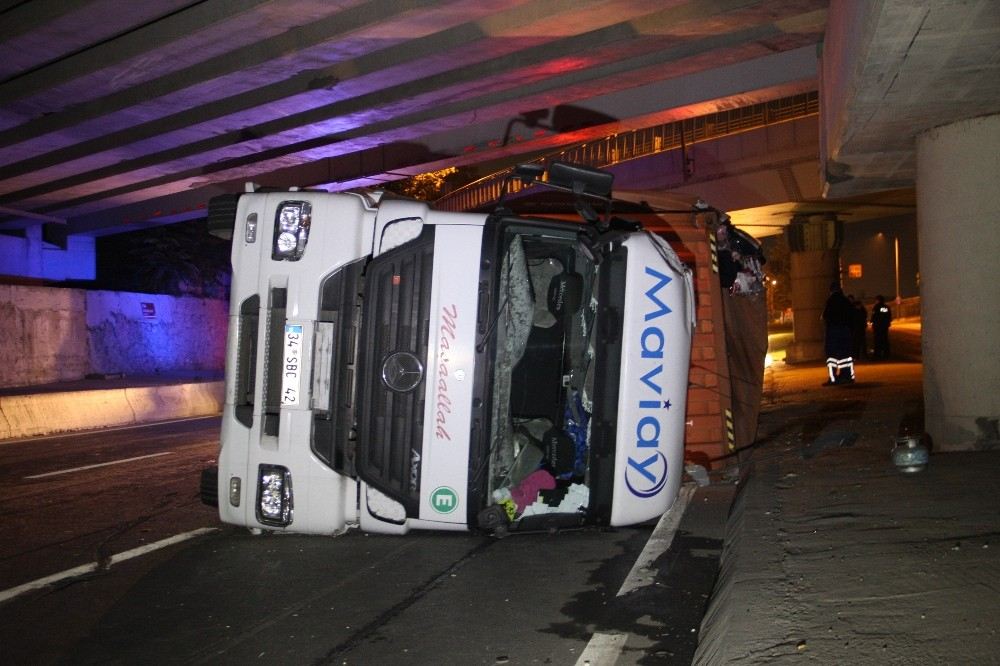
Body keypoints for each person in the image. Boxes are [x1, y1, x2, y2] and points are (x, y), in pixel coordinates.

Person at [822, 282, 855, 385]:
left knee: (831, 356)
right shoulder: (846, 301)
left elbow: (826, 316)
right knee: (845, 355)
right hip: (845, 331)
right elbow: (852, 316)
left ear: (831, 291)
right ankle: (847, 376)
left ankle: (833, 378)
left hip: (833, 332)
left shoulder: (831, 301)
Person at [871, 294, 892, 359]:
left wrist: (872, 322)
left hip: (878, 326)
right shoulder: (886, 307)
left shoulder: (876, 307)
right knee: (885, 340)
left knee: (877, 340)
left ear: (878, 300)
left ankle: (877, 354)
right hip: (885, 326)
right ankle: (886, 354)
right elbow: (889, 316)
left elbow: (874, 316)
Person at [848, 294, 868, 361]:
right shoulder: (860, 310)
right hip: (857, 328)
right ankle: (859, 355)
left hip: (857, 328)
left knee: (858, 342)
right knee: (858, 342)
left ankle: (858, 356)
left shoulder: (853, 310)